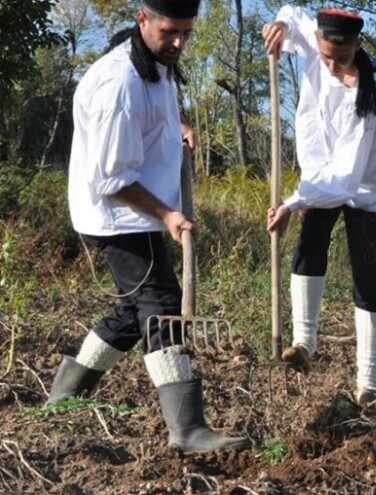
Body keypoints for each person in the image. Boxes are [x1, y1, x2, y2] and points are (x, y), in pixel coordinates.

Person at [47, 0, 250, 453]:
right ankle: (188, 428)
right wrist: (167, 214)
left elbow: (149, 113)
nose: (179, 42)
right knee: (161, 304)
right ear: (142, 20)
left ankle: (64, 394)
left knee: (131, 312)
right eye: (169, 32)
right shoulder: (119, 82)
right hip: (119, 215)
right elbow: (111, 178)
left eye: (187, 33)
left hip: (136, 211)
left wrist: (175, 124)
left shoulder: (154, 62)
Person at [262, 6, 376, 405]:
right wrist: (281, 26)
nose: (331, 66)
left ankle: (368, 382)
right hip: (319, 174)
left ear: (358, 46)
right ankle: (303, 343)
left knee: (370, 282)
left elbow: (346, 177)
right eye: (325, 56)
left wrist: (292, 202)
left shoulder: (374, 90)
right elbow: (293, 13)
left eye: (340, 59)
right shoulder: (315, 40)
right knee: (309, 247)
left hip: (369, 189)